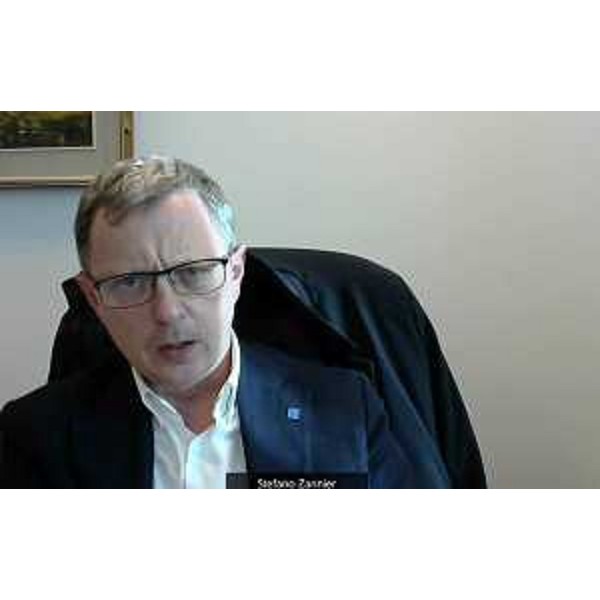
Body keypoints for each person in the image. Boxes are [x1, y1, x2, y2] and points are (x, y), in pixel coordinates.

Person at [0, 156, 450, 488]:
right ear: (94, 298)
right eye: (131, 282)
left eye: (193, 273)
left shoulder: (344, 408)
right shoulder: (34, 435)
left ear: (236, 274)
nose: (167, 311)